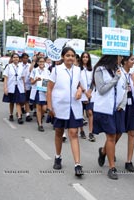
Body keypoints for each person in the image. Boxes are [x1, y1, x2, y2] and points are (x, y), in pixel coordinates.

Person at [46, 47, 84, 177]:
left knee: (73, 133)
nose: (70, 58)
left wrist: (79, 90)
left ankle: (77, 165)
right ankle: (58, 156)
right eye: (68, 55)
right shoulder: (56, 70)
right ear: (63, 57)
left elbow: (81, 85)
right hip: (59, 107)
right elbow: (49, 89)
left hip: (74, 107)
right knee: (59, 132)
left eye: (72, 56)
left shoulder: (78, 70)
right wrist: (50, 106)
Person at [93, 54, 126, 180]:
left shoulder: (120, 69)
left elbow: (124, 88)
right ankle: (112, 167)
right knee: (111, 136)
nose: (121, 58)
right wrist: (115, 78)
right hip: (105, 109)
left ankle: (103, 152)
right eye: (119, 56)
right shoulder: (99, 69)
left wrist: (122, 104)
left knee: (118, 134)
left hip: (118, 109)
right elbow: (101, 89)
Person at [114, 54, 134, 172]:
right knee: (118, 132)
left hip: (131, 103)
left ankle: (129, 161)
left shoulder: (133, 75)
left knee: (132, 132)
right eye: (132, 59)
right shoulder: (119, 72)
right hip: (121, 104)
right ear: (125, 61)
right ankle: (105, 150)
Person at [2, 53, 26, 124]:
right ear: (12, 58)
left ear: (19, 59)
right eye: (14, 57)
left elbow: (23, 77)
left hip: (19, 86)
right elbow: (6, 78)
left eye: (17, 57)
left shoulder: (21, 67)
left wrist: (24, 87)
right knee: (11, 101)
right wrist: (5, 88)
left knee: (18, 101)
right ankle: (11, 114)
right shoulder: (9, 67)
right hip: (11, 86)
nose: (16, 58)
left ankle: (19, 117)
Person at [30, 56, 50, 132]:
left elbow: (49, 81)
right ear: (37, 63)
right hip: (37, 91)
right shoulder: (34, 71)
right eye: (40, 62)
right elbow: (31, 82)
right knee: (38, 108)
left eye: (43, 62)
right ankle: (40, 124)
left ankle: (39, 119)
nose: (41, 63)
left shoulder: (47, 71)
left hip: (44, 92)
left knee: (44, 108)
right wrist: (36, 80)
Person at [79, 52, 96, 142]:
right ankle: (81, 131)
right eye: (84, 57)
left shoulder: (91, 69)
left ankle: (90, 132)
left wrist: (89, 91)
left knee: (90, 112)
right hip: (81, 94)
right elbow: (77, 82)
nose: (85, 58)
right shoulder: (78, 69)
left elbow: (94, 81)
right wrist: (84, 91)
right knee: (80, 113)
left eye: (87, 57)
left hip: (90, 94)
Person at [20, 53, 33, 122]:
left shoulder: (29, 66)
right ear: (21, 59)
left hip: (28, 85)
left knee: (26, 100)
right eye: (24, 58)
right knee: (21, 100)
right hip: (20, 85)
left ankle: (28, 114)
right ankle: (21, 108)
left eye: (26, 58)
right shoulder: (19, 65)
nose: (25, 59)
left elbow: (31, 72)